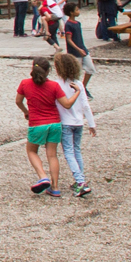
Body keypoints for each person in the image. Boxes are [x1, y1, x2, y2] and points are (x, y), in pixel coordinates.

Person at [15, 56, 65, 198]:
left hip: (37, 123)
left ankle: (43, 176)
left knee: (32, 151)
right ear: (49, 71)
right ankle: (55, 188)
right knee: (52, 155)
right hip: (55, 123)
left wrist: (26, 112)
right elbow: (64, 103)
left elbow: (18, 101)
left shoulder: (25, 84)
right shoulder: (54, 85)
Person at [54, 52, 96, 197]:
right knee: (76, 150)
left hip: (65, 123)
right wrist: (91, 123)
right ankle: (80, 177)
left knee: (69, 152)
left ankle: (80, 182)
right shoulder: (78, 84)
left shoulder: (57, 84)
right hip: (79, 122)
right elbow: (85, 105)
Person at [60, 3, 93, 91]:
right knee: (75, 73)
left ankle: (83, 87)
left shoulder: (78, 23)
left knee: (90, 69)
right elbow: (69, 39)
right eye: (77, 10)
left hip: (83, 49)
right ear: (71, 12)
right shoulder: (68, 24)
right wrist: (78, 49)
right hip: (74, 52)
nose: (78, 11)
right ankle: (74, 89)